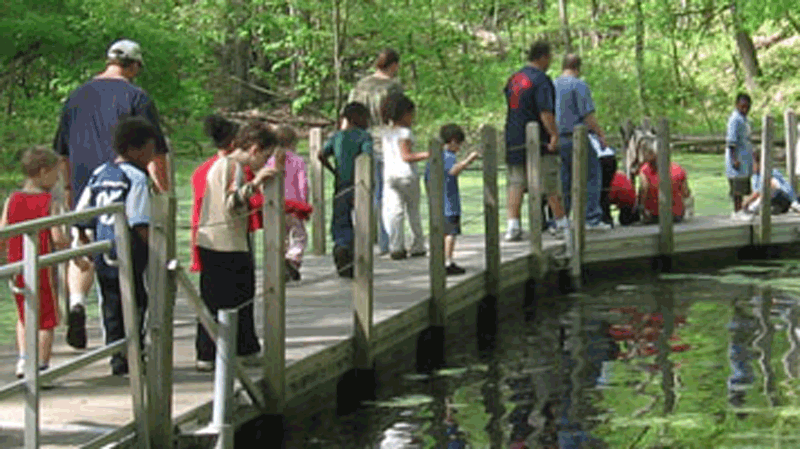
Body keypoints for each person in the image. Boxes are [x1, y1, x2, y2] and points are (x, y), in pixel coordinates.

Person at [53, 39, 171, 350]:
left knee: (83, 250)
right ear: (133, 66)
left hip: (87, 185)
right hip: (126, 186)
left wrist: (68, 189)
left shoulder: (75, 96)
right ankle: (127, 345)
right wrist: (163, 191)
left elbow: (62, 151)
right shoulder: (137, 96)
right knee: (125, 264)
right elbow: (154, 148)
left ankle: (77, 302)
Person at [72, 117, 158, 376]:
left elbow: (83, 211)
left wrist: (84, 239)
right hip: (129, 249)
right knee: (137, 301)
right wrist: (157, 250)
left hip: (103, 248)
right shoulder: (137, 177)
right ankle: (134, 354)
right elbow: (139, 219)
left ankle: (116, 356)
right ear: (136, 149)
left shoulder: (100, 172)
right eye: (150, 149)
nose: (153, 155)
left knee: (110, 302)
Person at [194, 122, 283, 371]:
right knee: (236, 299)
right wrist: (256, 183)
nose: (263, 163)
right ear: (254, 149)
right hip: (226, 244)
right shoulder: (232, 167)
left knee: (219, 299)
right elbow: (231, 203)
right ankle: (235, 350)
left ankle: (216, 352)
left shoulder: (224, 165)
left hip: (216, 241)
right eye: (264, 157)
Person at [0, 147, 70, 378]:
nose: (58, 179)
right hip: (42, 267)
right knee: (46, 319)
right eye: (55, 174)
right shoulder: (48, 201)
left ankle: (23, 359)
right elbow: (58, 237)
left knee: (24, 313)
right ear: (42, 172)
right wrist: (72, 251)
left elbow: (3, 232)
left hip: (16, 266)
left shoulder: (12, 199)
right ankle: (41, 366)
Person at [503, 41, 564, 242]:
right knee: (550, 181)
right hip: (537, 139)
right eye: (549, 58)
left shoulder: (514, 79)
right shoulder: (541, 80)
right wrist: (554, 134)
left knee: (516, 182)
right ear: (543, 57)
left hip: (513, 135)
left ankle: (513, 225)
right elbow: (545, 111)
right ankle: (561, 222)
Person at [191, 115, 264, 276]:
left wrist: (195, 256)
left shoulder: (200, 171)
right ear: (234, 144)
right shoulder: (238, 168)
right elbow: (255, 201)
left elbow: (197, 211)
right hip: (234, 240)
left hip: (206, 241)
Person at [347, 48, 404, 255]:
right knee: (386, 194)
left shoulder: (361, 86)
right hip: (387, 143)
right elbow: (399, 117)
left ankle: (362, 241)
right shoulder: (393, 87)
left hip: (362, 142)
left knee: (364, 192)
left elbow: (349, 114)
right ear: (393, 65)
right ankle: (386, 242)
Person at [554, 54, 610, 232]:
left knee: (564, 179)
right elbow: (588, 116)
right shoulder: (579, 85)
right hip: (576, 138)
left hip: (557, 139)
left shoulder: (552, 85)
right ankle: (591, 218)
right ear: (578, 68)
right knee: (592, 174)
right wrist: (600, 135)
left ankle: (562, 219)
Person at [319, 102, 373, 278]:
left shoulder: (337, 137)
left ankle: (341, 248)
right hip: (359, 185)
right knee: (361, 221)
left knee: (340, 220)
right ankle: (355, 257)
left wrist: (333, 170)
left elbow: (321, 154)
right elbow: (367, 156)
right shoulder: (364, 136)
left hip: (340, 185)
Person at [424, 124, 480, 276]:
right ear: (453, 141)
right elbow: (453, 171)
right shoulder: (448, 156)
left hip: (438, 203)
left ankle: (439, 259)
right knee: (450, 233)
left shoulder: (434, 158)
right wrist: (468, 160)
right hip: (449, 204)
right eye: (459, 144)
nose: (460, 147)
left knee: (441, 232)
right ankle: (447, 262)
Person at [381, 93, 429, 259]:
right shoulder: (405, 133)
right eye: (411, 115)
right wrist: (428, 154)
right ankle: (418, 244)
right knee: (413, 210)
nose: (412, 118)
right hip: (407, 176)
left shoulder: (386, 132)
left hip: (390, 176)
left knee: (395, 212)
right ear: (404, 114)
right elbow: (406, 156)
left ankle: (396, 246)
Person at [267, 126, 309, 281]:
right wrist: (304, 204)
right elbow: (302, 184)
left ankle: (280, 262)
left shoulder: (270, 161)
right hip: (294, 206)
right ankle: (293, 260)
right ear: (293, 143)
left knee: (281, 236)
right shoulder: (298, 161)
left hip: (276, 206)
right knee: (299, 236)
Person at [636, 144, 690, 224]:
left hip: (654, 216)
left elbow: (644, 191)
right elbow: (686, 193)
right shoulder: (679, 169)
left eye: (649, 152)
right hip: (676, 216)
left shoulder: (645, 170)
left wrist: (641, 209)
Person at [741, 151, 795, 216]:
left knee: (769, 185)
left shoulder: (771, 172)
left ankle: (753, 209)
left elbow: (759, 192)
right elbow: (755, 193)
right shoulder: (756, 176)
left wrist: (748, 201)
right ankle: (752, 209)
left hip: (781, 200)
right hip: (770, 201)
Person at [725, 93, 754, 214]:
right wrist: (734, 159)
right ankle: (737, 212)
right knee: (737, 190)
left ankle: (742, 211)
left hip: (745, 159)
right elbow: (731, 141)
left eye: (747, 107)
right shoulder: (735, 119)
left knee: (744, 188)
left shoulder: (745, 119)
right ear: (737, 105)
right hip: (737, 159)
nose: (744, 109)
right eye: (742, 106)